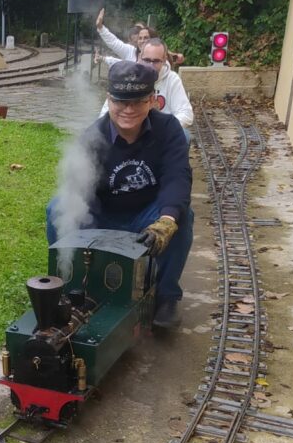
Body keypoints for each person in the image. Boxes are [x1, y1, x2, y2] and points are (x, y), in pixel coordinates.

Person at [46, 61, 193, 328]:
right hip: (105, 215)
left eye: (137, 102)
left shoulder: (170, 130)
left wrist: (168, 219)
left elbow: (177, 177)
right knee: (58, 207)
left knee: (182, 217)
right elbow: (79, 192)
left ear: (152, 101)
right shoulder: (92, 137)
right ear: (109, 99)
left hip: (147, 213)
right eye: (120, 101)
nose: (128, 109)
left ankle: (166, 297)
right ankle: (71, 287)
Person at [99, 38, 193, 139]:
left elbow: (186, 114)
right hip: (130, 130)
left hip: (161, 133)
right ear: (140, 57)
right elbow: (105, 112)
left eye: (156, 61)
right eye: (147, 60)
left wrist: (162, 128)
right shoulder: (128, 76)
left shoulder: (172, 79)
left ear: (164, 60)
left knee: (184, 135)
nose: (150, 66)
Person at [94, 8, 184, 68]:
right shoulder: (130, 51)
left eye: (146, 38)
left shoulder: (161, 58)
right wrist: (100, 27)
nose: (142, 41)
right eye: (140, 38)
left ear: (153, 39)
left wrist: (174, 57)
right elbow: (114, 42)